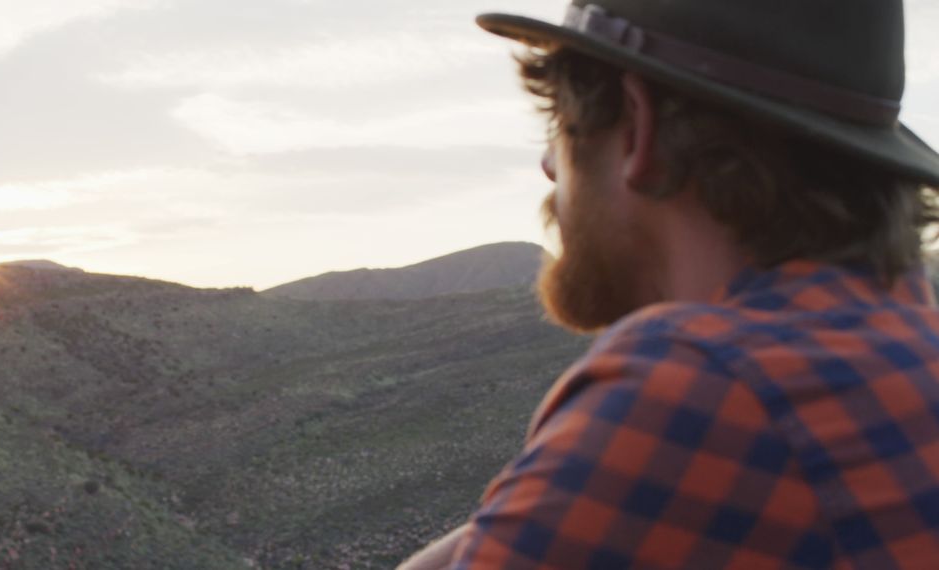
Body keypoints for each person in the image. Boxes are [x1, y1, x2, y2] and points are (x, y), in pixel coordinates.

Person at [399, 0, 939, 568]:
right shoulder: (909, 349)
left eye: (558, 123)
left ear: (637, 128)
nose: (550, 167)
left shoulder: (704, 381)